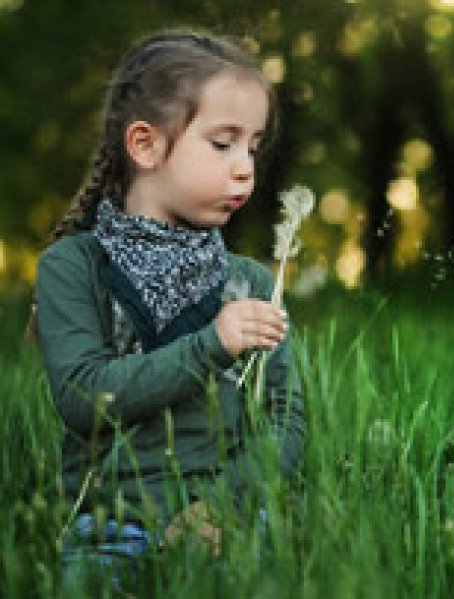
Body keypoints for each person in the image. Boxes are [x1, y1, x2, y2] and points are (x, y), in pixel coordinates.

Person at [25, 28, 306, 586]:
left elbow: (284, 418)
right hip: (112, 526)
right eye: (223, 143)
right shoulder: (72, 267)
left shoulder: (251, 281)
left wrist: (224, 506)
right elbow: (86, 399)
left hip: (231, 519)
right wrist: (212, 345)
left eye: (253, 145)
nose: (246, 166)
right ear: (146, 145)